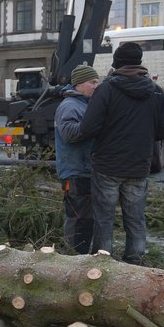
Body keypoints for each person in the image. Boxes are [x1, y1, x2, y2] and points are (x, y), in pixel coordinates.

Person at [75, 42, 164, 265]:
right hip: (138, 166)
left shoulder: (106, 89)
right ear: (139, 62)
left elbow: (87, 128)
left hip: (107, 166)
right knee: (136, 219)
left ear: (116, 62)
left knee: (104, 220)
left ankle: (102, 267)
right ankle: (134, 265)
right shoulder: (155, 91)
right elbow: (162, 131)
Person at [54, 65, 100, 254]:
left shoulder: (84, 104)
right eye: (93, 82)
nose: (97, 86)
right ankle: (73, 258)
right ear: (79, 84)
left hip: (84, 170)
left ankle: (81, 255)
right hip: (75, 172)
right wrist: (93, 124)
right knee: (78, 218)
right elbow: (69, 134)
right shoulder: (70, 106)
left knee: (86, 218)